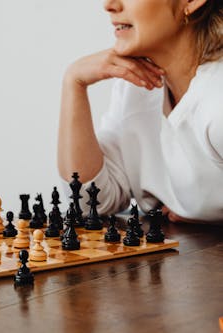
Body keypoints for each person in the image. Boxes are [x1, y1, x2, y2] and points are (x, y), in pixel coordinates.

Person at [58, 0, 223, 223]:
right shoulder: (137, 86)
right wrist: (74, 82)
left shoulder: (216, 98)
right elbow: (90, 202)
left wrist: (207, 215)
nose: (109, 5)